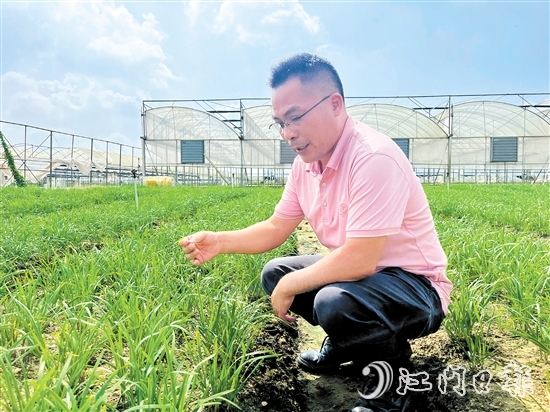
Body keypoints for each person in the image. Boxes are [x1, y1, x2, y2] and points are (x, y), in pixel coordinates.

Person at [179, 52, 453, 412]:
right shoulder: (304, 166)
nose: (287, 132)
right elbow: (277, 227)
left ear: (335, 104)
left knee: (332, 300)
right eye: (279, 122)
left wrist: (293, 286)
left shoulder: (373, 158)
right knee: (275, 271)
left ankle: (393, 385)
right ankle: (346, 345)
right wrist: (221, 240)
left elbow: (360, 259)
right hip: (369, 281)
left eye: (295, 117)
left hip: (418, 290)